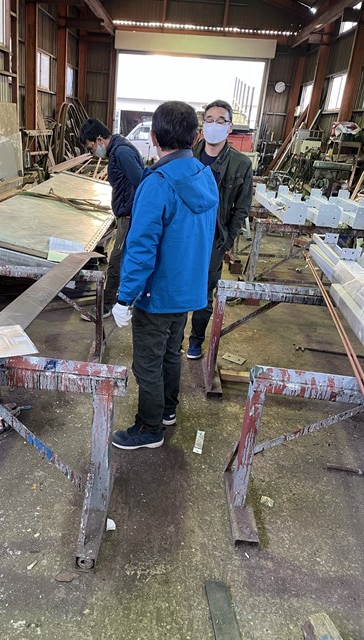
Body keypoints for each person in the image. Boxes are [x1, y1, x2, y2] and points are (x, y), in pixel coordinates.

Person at [110, 101, 219, 450]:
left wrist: (125, 297)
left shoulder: (157, 183)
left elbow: (141, 248)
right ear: (196, 136)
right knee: (171, 353)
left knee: (147, 362)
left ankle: (149, 427)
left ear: (154, 137)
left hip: (156, 294)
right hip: (187, 291)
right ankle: (167, 410)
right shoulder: (205, 176)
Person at [187, 99, 253, 359]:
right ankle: (173, 338)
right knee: (177, 285)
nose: (214, 125)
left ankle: (195, 341)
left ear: (230, 126)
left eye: (220, 121)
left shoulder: (240, 164)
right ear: (203, 125)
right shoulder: (187, 156)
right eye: (210, 120)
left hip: (214, 239)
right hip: (184, 236)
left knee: (204, 292)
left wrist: (226, 241)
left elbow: (242, 208)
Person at [79, 118, 144, 319]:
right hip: (126, 213)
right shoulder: (118, 150)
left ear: (99, 139)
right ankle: (119, 300)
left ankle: (106, 306)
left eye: (91, 147)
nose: (92, 152)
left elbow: (141, 182)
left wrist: (132, 211)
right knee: (121, 259)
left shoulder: (121, 152)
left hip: (129, 216)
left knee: (116, 261)